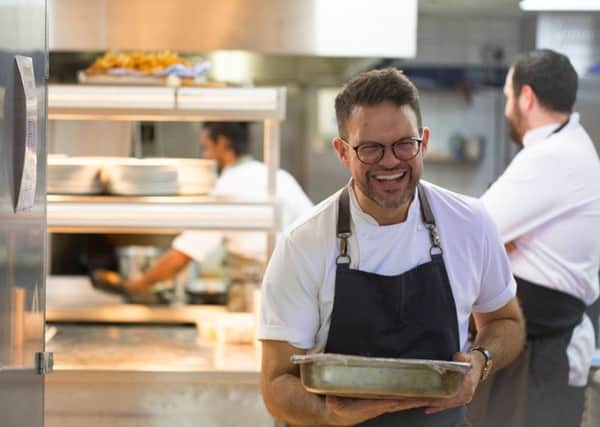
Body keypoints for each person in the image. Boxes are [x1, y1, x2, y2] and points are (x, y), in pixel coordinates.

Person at [258, 68, 525, 427]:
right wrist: (331, 414)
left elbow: (505, 321)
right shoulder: (303, 243)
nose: (390, 161)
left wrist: (480, 360)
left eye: (404, 144)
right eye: (370, 148)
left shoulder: (469, 222)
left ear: (424, 142)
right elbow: (276, 384)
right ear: (342, 151)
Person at [470, 49, 600, 427]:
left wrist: (500, 246)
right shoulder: (566, 148)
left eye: (509, 96)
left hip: (539, 354)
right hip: (536, 346)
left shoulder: (555, 156)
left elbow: (474, 232)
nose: (507, 107)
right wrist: (502, 246)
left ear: (526, 97)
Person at [123, 122, 314, 296]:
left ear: (222, 143)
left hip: (254, 290)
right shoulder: (279, 176)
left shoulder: (227, 186)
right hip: (296, 289)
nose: (205, 155)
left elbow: (181, 256)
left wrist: (138, 284)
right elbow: (316, 230)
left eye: (206, 147)